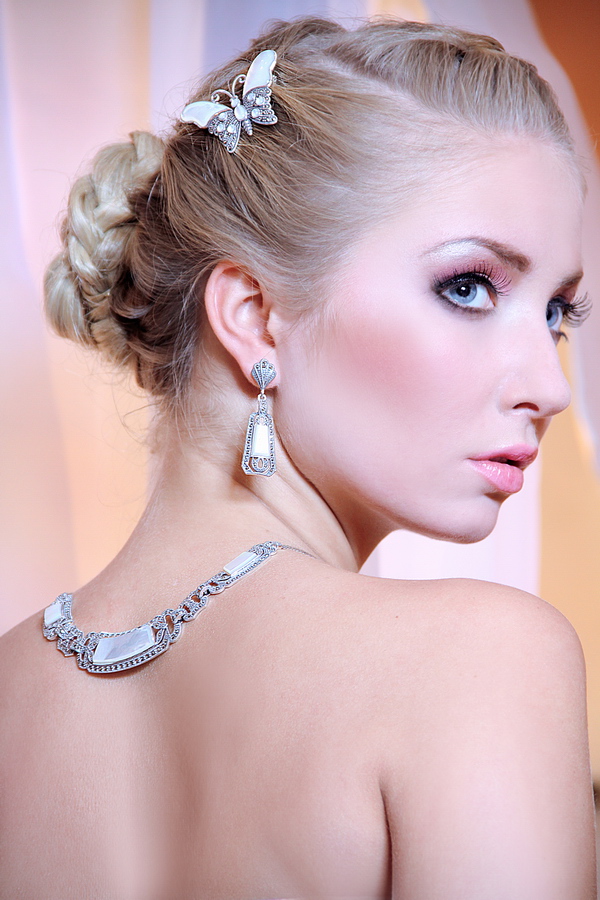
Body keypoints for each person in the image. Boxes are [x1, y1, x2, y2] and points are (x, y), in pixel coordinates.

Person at [0, 14, 596, 899]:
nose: (549, 387)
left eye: (556, 315)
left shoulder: (11, 691)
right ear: (253, 314)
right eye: (468, 287)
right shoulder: (479, 662)